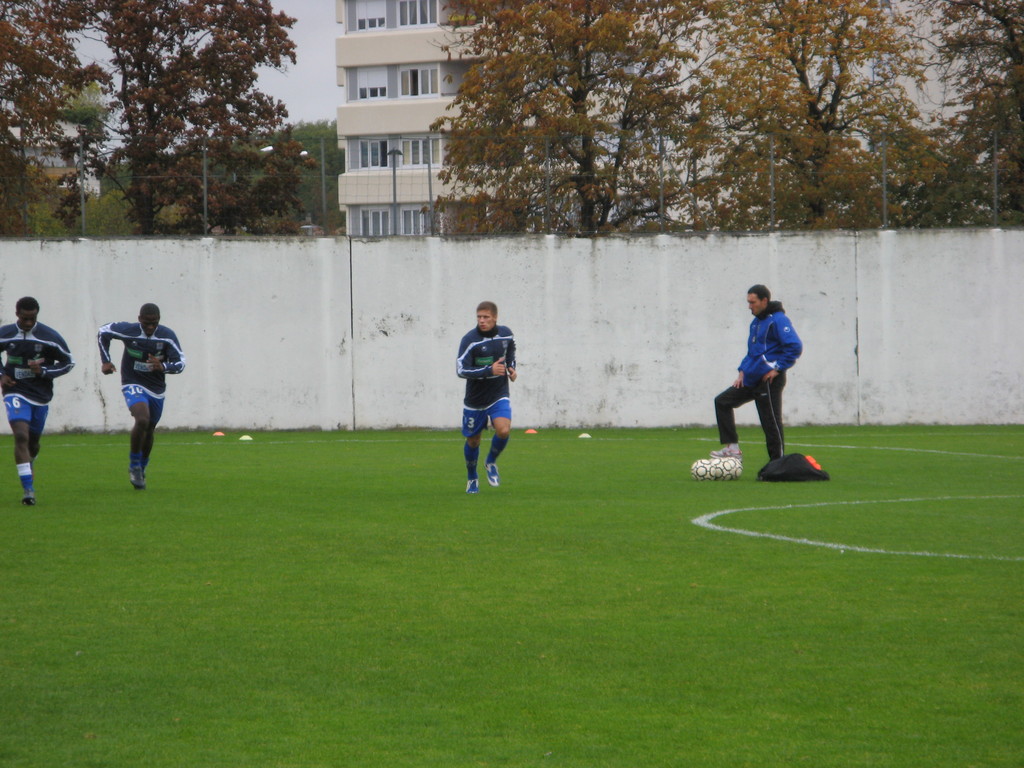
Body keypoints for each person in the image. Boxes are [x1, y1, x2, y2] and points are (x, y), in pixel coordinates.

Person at [98, 304, 185, 490]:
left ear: (159, 320)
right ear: (139, 319)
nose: (150, 327)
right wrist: (106, 361)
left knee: (150, 428)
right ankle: (134, 464)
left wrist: (163, 367)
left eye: (154, 323)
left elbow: (181, 362)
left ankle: (142, 467)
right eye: (147, 323)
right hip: (133, 382)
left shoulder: (167, 336)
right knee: (142, 418)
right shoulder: (128, 331)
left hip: (156, 388)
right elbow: (103, 331)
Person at [711, 284, 802, 462]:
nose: (749, 306)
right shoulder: (756, 323)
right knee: (722, 401)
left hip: (769, 380)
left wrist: (777, 368)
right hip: (751, 378)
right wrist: (742, 371)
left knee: (770, 422)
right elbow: (753, 352)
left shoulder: (778, 320)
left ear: (764, 301)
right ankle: (732, 448)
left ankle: (777, 463)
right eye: (748, 302)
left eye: (753, 302)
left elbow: (794, 346)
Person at [0, 297, 76, 505]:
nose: (28, 323)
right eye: (25, 319)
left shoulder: (49, 337)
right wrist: (1, 375)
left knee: (32, 443)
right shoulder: (6, 333)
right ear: (17, 314)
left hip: (40, 395)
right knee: (21, 436)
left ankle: (29, 462)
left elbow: (69, 362)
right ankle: (28, 490)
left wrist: (44, 371)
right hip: (14, 391)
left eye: (32, 319)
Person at [456, 301, 517, 494]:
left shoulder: (506, 334)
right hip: (475, 399)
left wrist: (511, 367)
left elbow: (511, 350)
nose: (481, 321)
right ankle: (472, 476)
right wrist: (488, 370)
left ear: (495, 318)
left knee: (504, 430)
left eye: (486, 317)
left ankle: (490, 461)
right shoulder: (470, 340)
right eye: (479, 317)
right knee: (473, 441)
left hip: (498, 394)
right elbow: (461, 370)